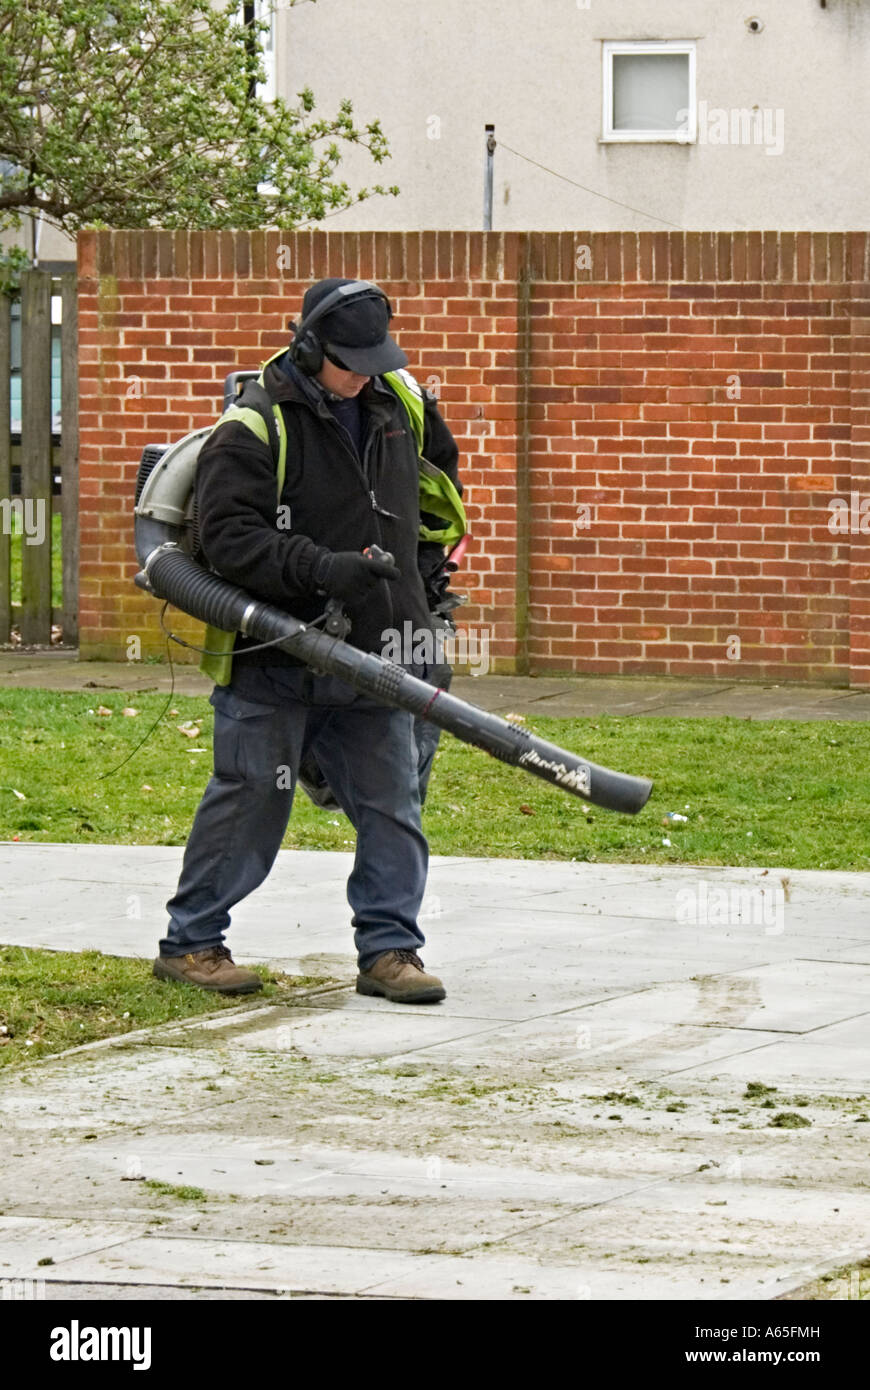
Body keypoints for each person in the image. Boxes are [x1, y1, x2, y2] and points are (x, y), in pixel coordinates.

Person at [152, 278, 463, 1004]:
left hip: (381, 652)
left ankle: (391, 952)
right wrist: (322, 570)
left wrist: (415, 584)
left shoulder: (402, 404)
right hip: (275, 652)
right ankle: (191, 944)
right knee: (252, 793)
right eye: (349, 361)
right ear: (308, 347)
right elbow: (227, 540)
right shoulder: (256, 424)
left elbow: (438, 492)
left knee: (392, 801)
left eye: (374, 360)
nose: (363, 375)